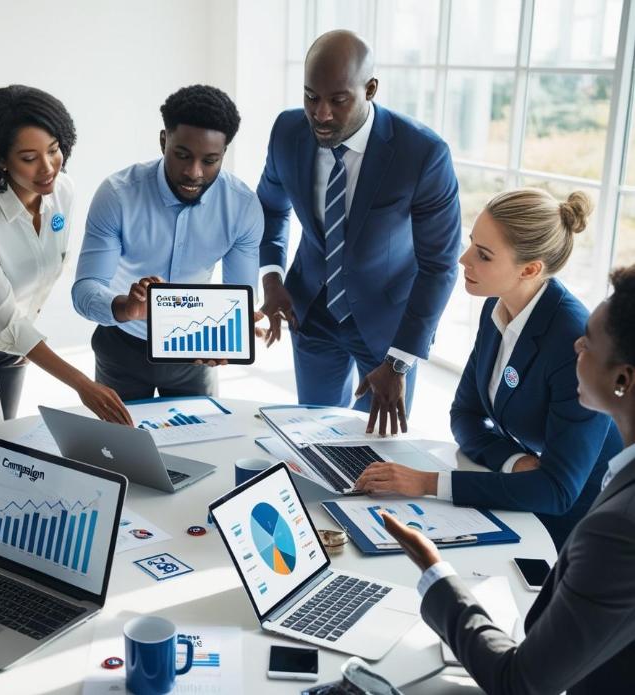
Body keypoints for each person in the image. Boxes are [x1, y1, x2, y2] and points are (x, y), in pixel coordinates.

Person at [381, 264, 635, 694]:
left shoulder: (616, 531)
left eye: (588, 342)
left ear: (623, 379)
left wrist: (435, 574)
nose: (576, 344)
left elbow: (518, 683)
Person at [355, 189, 622, 549]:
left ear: (530, 269)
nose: (463, 259)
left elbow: (557, 490)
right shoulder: (496, 308)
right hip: (522, 493)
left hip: (584, 522)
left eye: (483, 254)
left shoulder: (571, 342)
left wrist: (427, 483)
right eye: (471, 244)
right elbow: (465, 415)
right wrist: (514, 461)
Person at [257, 30, 461, 435]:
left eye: (338, 100)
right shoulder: (287, 131)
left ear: (370, 89)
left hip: (387, 328)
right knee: (312, 433)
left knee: (377, 447)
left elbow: (439, 266)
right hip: (311, 311)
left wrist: (399, 361)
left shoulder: (422, 154)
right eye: (311, 97)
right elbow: (270, 207)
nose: (321, 114)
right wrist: (272, 279)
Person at [0, 85, 131, 430]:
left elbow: (44, 275)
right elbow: (4, 319)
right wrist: (82, 384)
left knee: (9, 434)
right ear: (0, 160)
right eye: (29, 159)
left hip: (20, 336)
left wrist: (27, 339)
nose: (48, 168)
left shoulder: (64, 190)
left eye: (54, 150)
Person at [72, 85, 263, 400]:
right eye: (182, 155)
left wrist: (231, 333)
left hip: (195, 351)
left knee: (203, 433)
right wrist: (126, 307)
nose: (194, 172)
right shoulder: (118, 194)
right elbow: (84, 291)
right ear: (164, 141)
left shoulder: (242, 206)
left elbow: (240, 294)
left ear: (224, 153)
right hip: (122, 346)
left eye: (210, 160)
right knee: (119, 434)